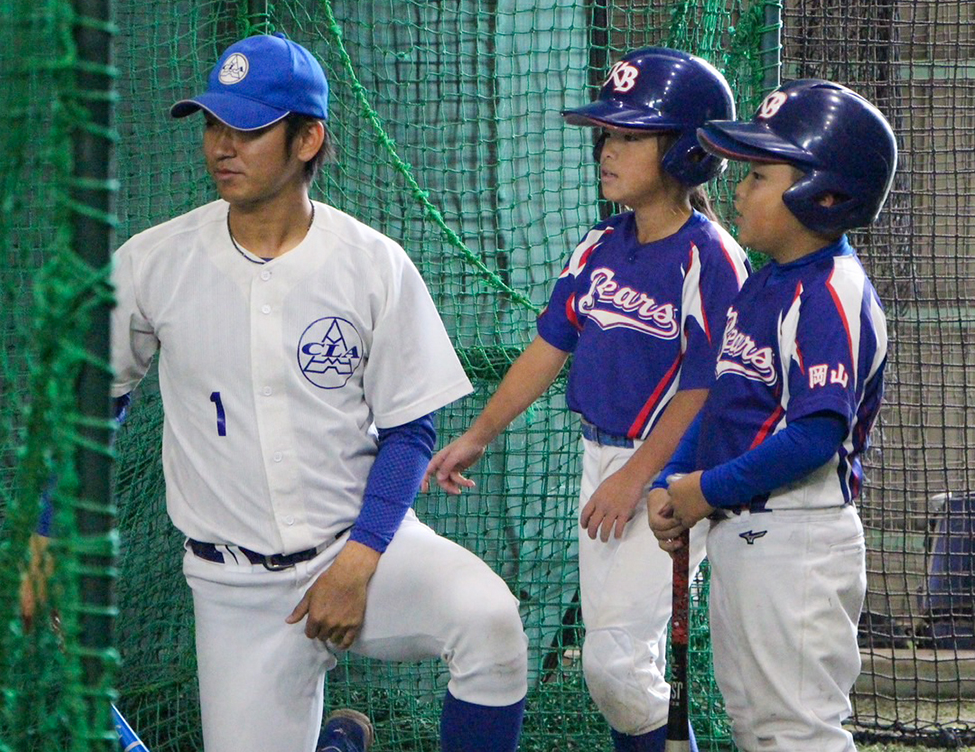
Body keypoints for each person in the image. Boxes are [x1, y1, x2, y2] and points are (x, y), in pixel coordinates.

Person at [98, 33, 528, 752]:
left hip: (365, 548)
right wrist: (49, 528)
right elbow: (93, 408)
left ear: (308, 139)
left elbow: (410, 432)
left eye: (248, 129)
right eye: (213, 125)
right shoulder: (153, 262)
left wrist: (359, 559)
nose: (221, 147)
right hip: (236, 590)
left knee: (489, 622)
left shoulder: (371, 263)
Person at [425, 48, 749, 752]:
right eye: (607, 134)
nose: (607, 149)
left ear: (686, 152)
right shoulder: (599, 244)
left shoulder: (711, 256)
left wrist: (638, 478)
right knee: (618, 669)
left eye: (630, 136)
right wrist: (479, 434)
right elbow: (549, 346)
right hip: (598, 462)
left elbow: (706, 389)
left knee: (616, 666)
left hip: (667, 472)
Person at [647, 79, 895, 752]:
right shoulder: (764, 283)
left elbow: (816, 435)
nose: (739, 190)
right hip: (747, 533)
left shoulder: (831, 293)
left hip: (798, 540)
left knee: (796, 733)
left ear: (825, 194)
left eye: (759, 176)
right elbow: (724, 402)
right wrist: (673, 479)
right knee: (758, 729)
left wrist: (705, 489)